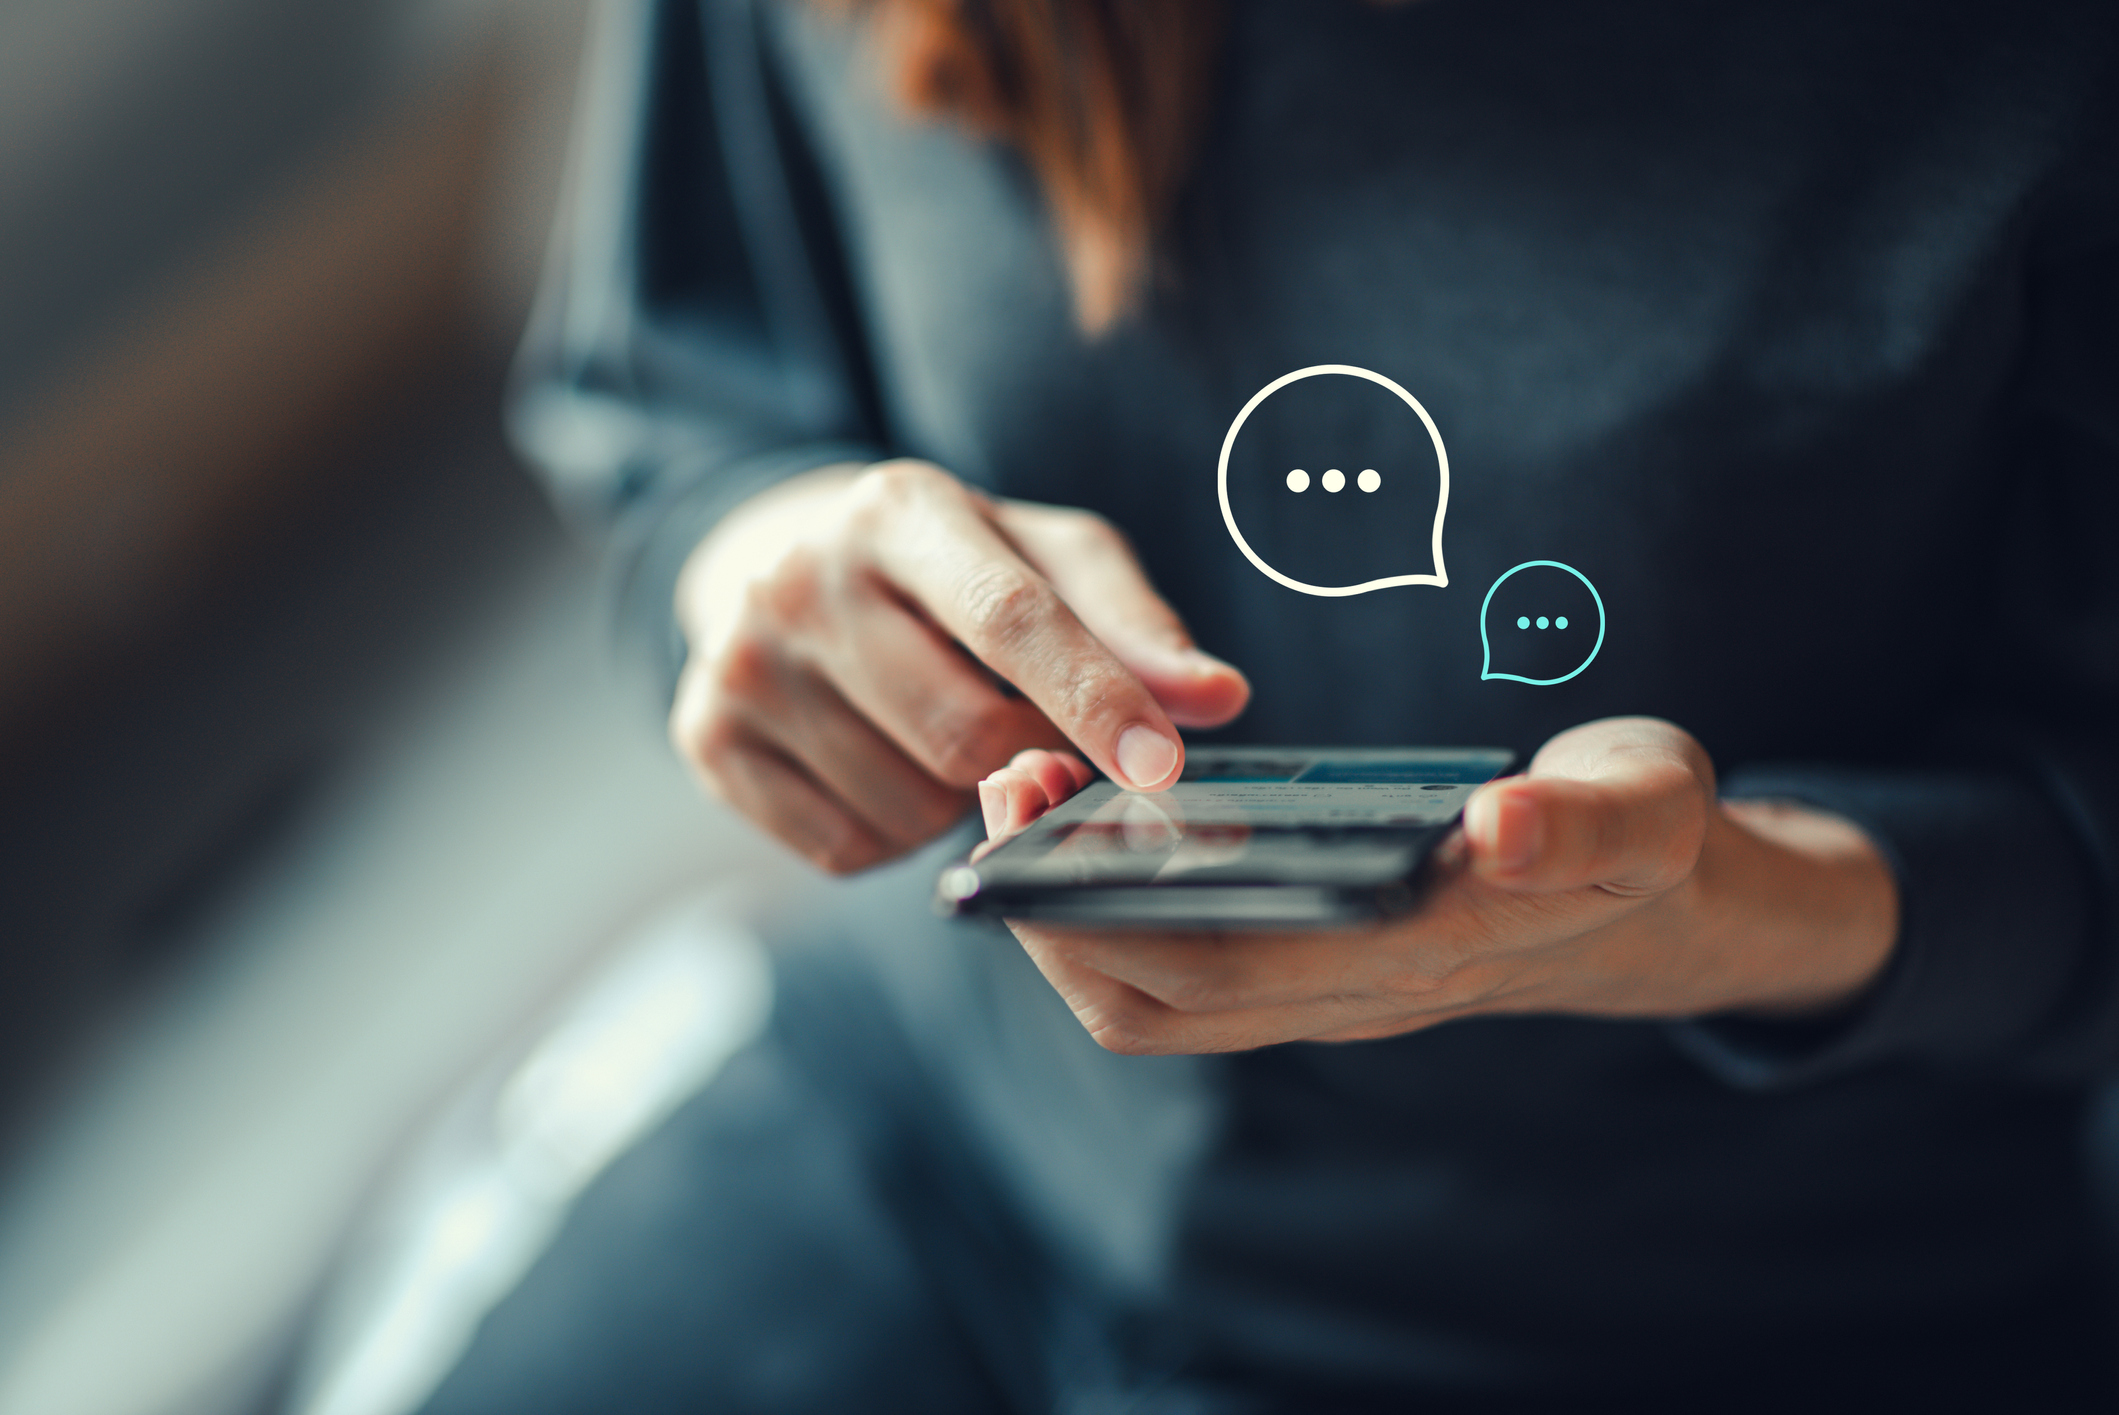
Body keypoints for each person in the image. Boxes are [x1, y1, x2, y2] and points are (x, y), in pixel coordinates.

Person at [422, 0, 2119, 1408]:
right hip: (941, 1125)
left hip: (1708, 1319)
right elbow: (671, 387)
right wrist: (750, 566)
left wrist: (1750, 912)